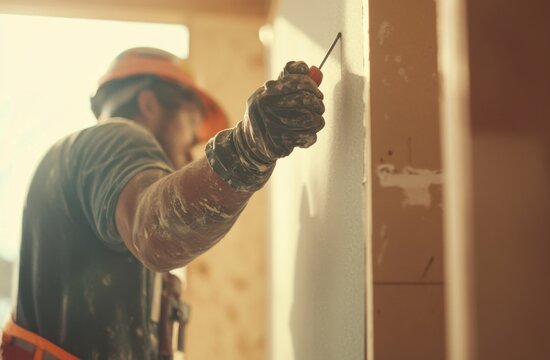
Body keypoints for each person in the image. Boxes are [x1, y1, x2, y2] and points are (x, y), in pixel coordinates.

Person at [0, 47, 325, 359]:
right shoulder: (116, 136)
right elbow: (156, 232)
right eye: (191, 124)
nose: (190, 150)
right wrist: (249, 148)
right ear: (149, 104)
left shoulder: (84, 166)